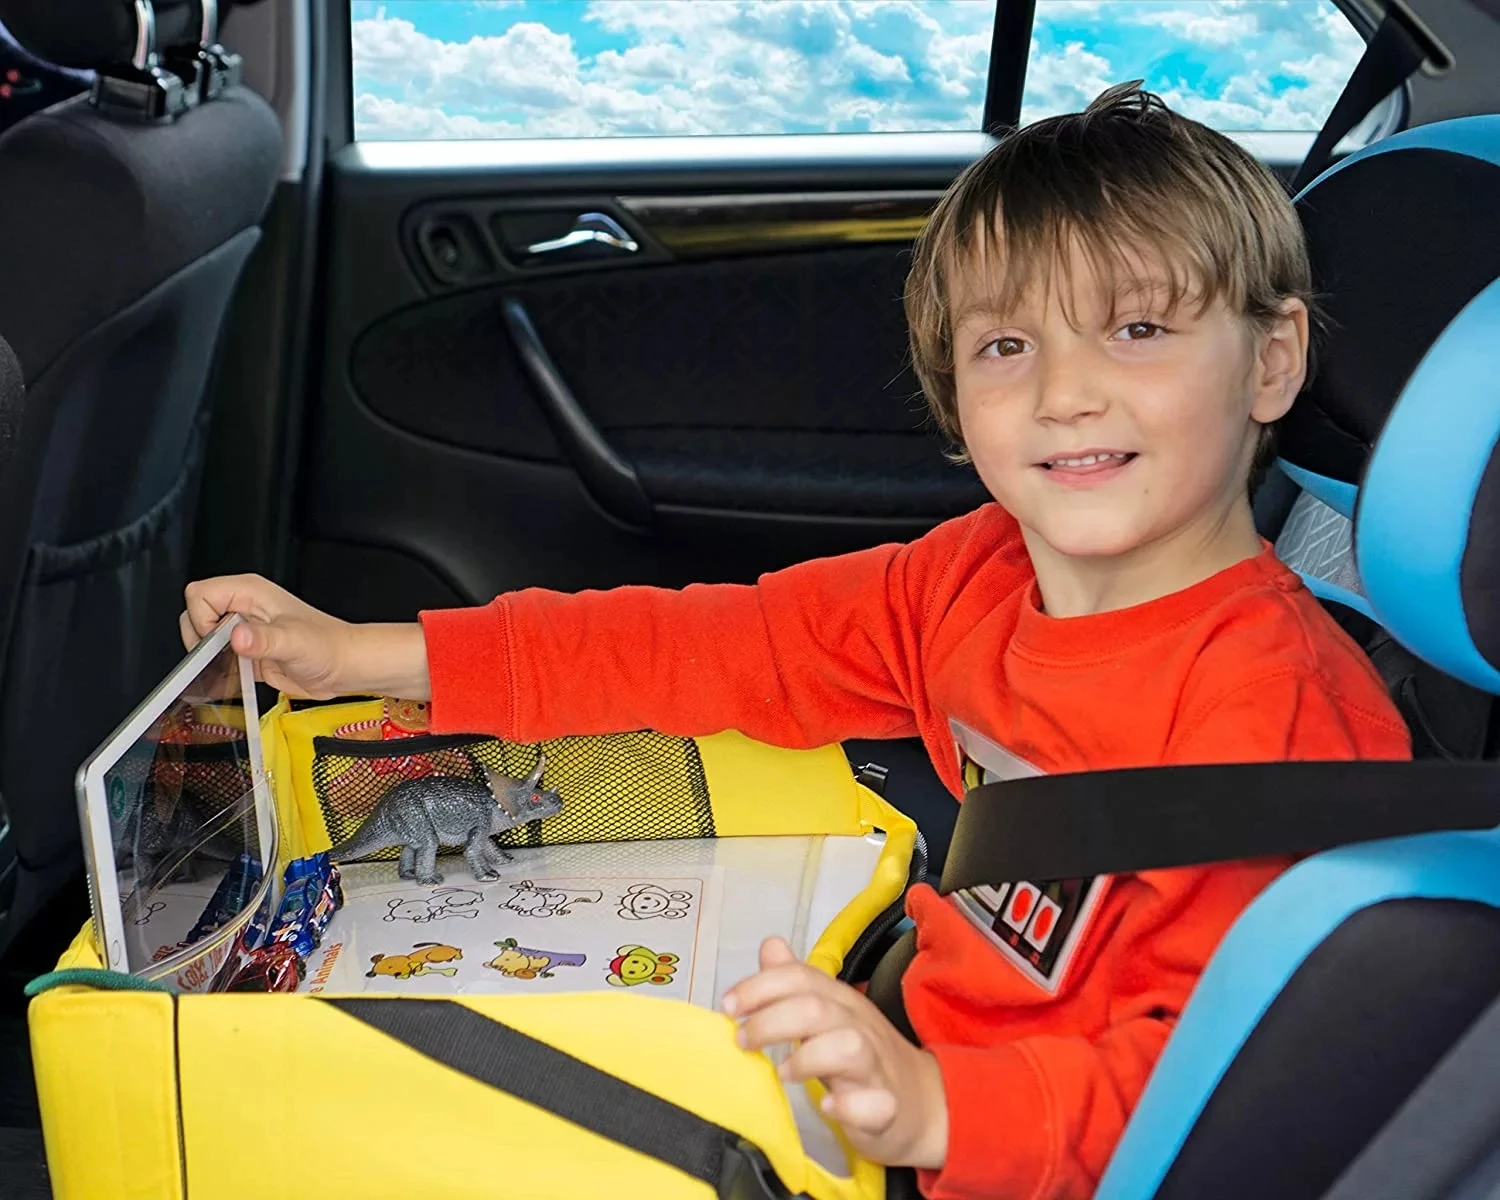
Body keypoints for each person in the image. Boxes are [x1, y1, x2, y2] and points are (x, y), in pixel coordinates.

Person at [182, 82, 1410, 1198]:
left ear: (1273, 361)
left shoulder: (1276, 726)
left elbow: (1239, 1089)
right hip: (925, 1085)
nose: (1065, 392)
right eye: (1007, 346)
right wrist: (365, 657)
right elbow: (713, 644)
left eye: (1137, 330)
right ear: (954, 397)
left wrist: (939, 1109)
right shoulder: (972, 576)